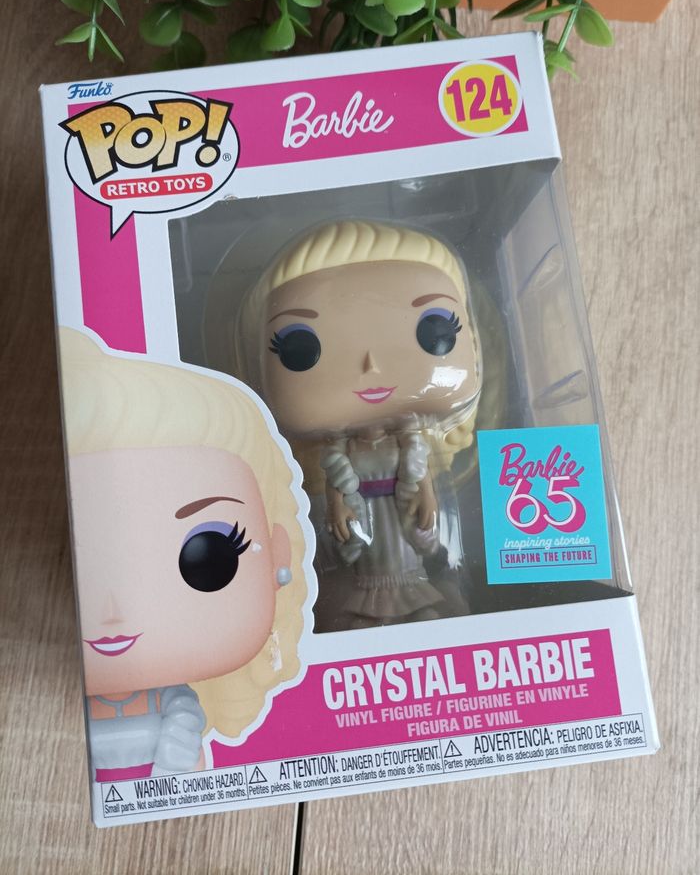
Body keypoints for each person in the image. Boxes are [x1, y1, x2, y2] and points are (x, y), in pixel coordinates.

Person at [60, 328, 312, 782]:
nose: (114, 611)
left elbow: (185, 759)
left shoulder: (176, 706)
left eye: (209, 556)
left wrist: (176, 763)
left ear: (278, 557)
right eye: (79, 568)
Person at [232, 220, 481, 629]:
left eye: (434, 329)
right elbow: (335, 486)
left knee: (417, 588)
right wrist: (336, 507)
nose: (371, 365)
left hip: (399, 526)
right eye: (299, 348)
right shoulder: (339, 454)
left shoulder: (410, 446)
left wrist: (428, 499)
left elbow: (420, 478)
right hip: (365, 528)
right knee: (365, 587)